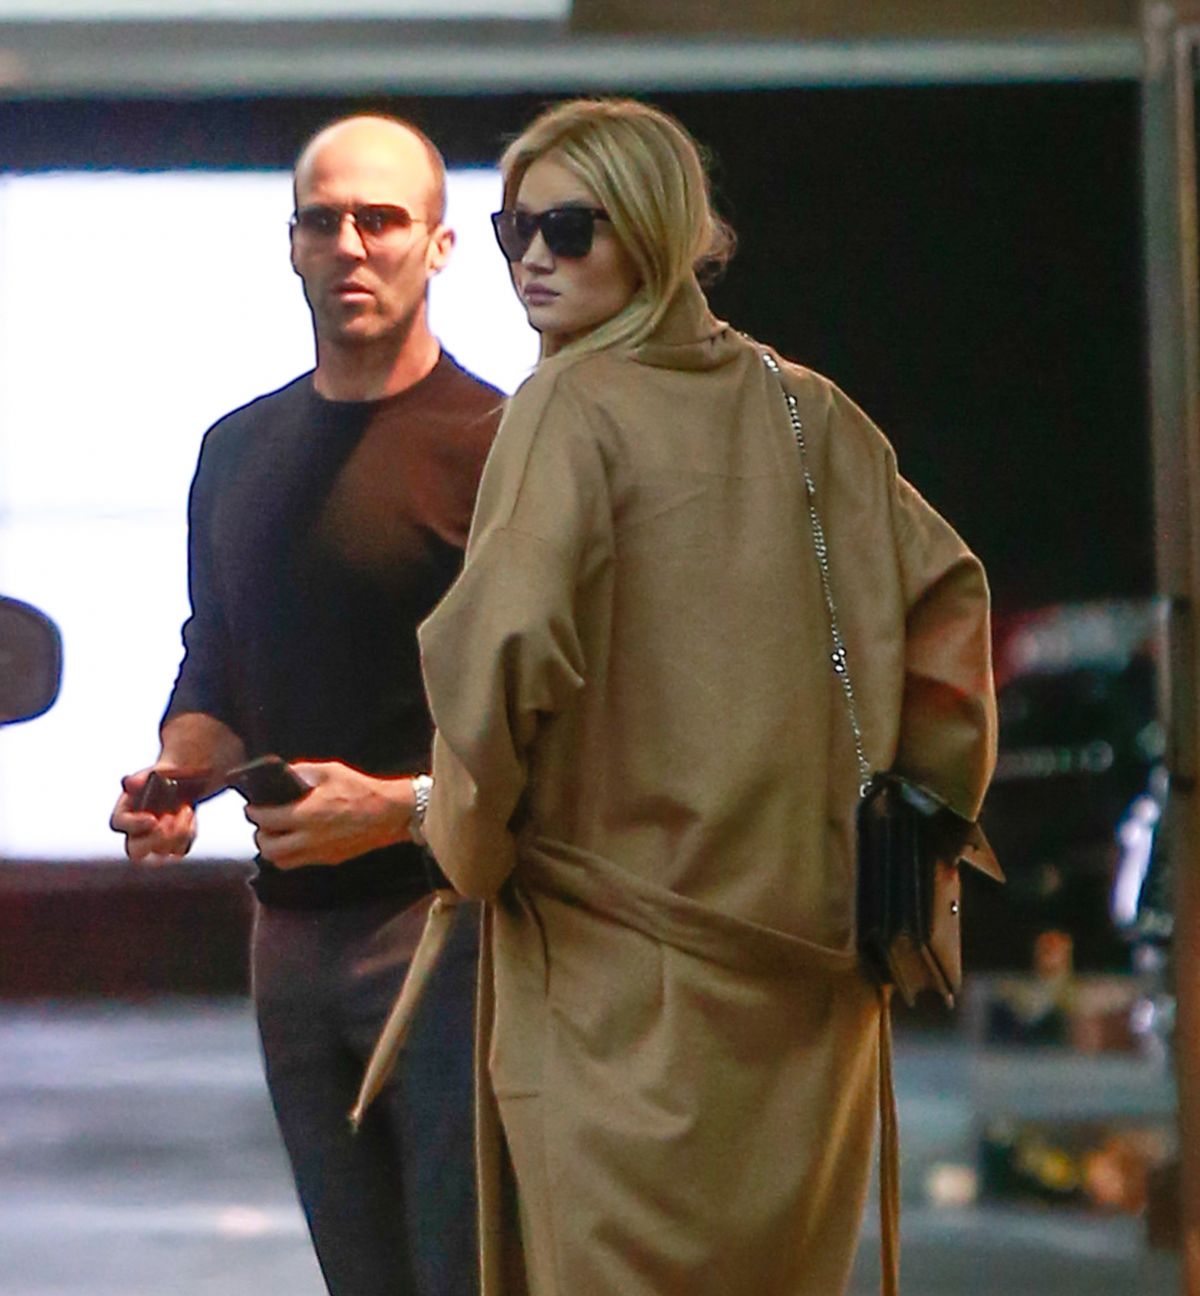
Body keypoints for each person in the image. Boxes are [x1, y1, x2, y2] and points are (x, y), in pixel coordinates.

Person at [413, 99, 997, 1296]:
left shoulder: (566, 407)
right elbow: (949, 609)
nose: (531, 258)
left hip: (617, 985)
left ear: (652, 229)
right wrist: (907, 837)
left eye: (569, 228)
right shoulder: (806, 409)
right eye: (515, 226)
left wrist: (469, 844)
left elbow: (500, 662)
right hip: (808, 993)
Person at [109, 115, 503, 1296]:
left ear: (439, 246)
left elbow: (564, 724)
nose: (351, 245)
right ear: (291, 245)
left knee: (472, 1272)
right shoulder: (238, 450)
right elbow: (218, 666)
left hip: (453, 929)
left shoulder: (503, 448)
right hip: (289, 934)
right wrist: (178, 775)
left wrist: (394, 806)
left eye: (381, 219)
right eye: (323, 221)